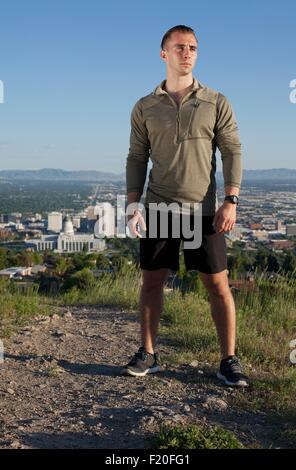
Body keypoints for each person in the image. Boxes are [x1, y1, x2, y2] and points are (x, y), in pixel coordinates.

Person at [123, 25, 249, 387]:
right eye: (180, 47)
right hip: (160, 208)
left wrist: (232, 199)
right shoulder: (145, 106)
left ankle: (228, 360)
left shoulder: (216, 101)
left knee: (218, 286)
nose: (188, 52)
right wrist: (133, 203)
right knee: (152, 282)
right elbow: (136, 156)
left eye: (193, 47)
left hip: (205, 209)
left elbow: (232, 150)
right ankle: (148, 354)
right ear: (165, 54)